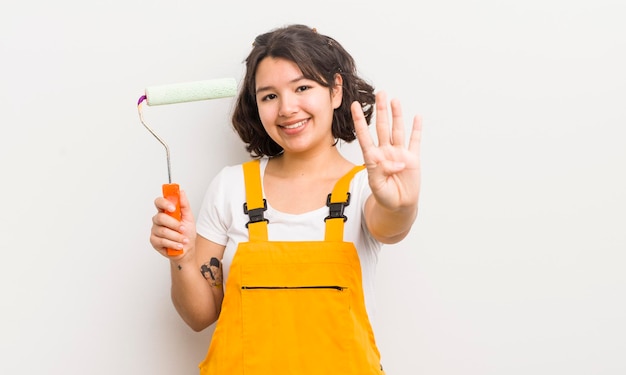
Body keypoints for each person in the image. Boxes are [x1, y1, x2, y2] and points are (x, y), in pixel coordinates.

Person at [149, 24, 421, 374]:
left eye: (302, 87)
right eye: (269, 96)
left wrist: (402, 205)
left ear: (335, 91)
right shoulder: (231, 187)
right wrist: (183, 257)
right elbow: (199, 316)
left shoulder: (367, 188)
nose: (287, 108)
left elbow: (390, 226)